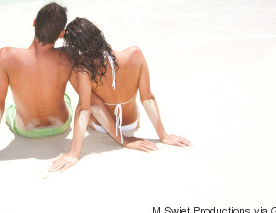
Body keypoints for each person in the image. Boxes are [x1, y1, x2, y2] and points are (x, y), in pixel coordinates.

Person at [0, 3, 153, 175]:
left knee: (10, 105)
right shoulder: (68, 56)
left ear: (34, 23)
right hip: (60, 125)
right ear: (62, 34)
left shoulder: (5, 56)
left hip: (26, 130)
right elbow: (90, 102)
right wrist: (123, 139)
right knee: (68, 96)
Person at [63, 17, 191, 149]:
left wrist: (73, 153)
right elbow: (147, 98)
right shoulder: (135, 54)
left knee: (90, 100)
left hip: (101, 127)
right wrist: (164, 136)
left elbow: (86, 108)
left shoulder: (83, 68)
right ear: (97, 30)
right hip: (131, 123)